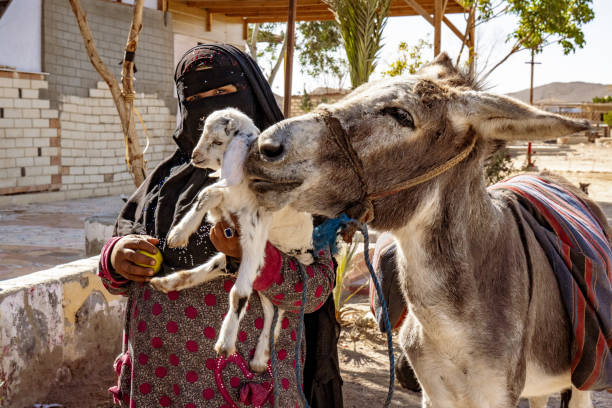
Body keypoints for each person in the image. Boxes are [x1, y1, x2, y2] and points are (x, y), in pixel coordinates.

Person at [98, 44, 343, 407]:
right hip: (156, 386)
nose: (209, 106)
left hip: (243, 390)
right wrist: (117, 257)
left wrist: (254, 257)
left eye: (223, 92)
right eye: (195, 96)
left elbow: (316, 289)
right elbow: (114, 267)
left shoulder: (290, 180)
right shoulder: (163, 182)